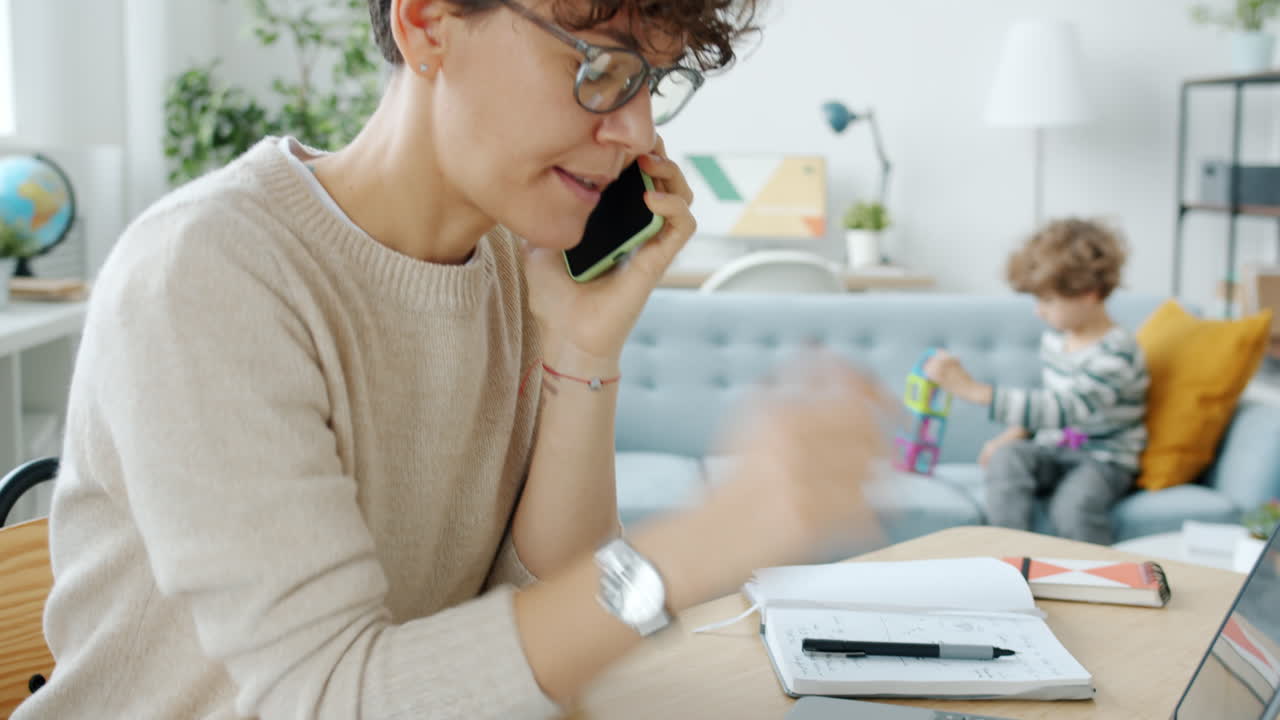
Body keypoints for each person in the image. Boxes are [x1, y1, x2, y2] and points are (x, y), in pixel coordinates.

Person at [14, 1, 890, 718]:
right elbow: (328, 697)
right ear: (427, 24)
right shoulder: (211, 271)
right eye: (601, 67)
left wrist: (583, 353)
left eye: (652, 83)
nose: (634, 130)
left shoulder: (514, 260)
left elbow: (534, 621)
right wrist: (694, 551)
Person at [923, 219, 1149, 545]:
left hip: (1104, 459)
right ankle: (1007, 558)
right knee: (1008, 458)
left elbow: (1067, 408)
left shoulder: (1118, 351)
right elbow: (1048, 401)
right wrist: (1011, 436)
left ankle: (1095, 580)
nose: (1038, 312)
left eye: (1048, 301)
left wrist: (974, 391)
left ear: (1089, 293)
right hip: (1053, 449)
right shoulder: (1057, 340)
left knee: (1075, 506)